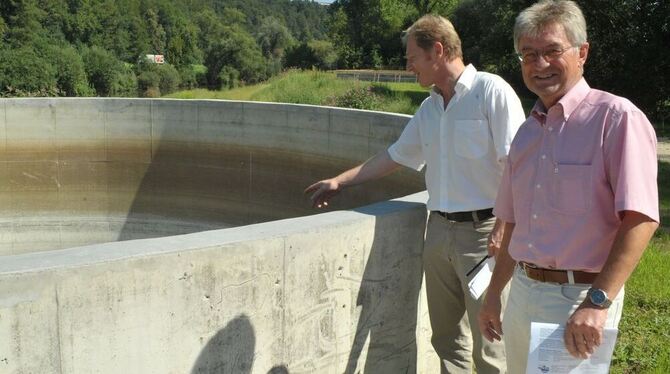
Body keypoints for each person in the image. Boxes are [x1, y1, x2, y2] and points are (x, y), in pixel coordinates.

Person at [305, 15, 525, 373]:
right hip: (437, 233)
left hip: (485, 236)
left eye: (411, 58)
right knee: (447, 338)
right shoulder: (429, 108)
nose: (408, 67)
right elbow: (394, 156)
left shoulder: (491, 91)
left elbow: (516, 164)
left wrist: (503, 226)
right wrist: (340, 181)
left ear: (437, 50)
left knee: (490, 341)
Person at [477, 1, 660, 373]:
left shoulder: (616, 119)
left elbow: (640, 218)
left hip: (579, 298)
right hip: (523, 291)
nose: (540, 64)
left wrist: (597, 302)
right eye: (529, 54)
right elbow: (513, 223)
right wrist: (495, 294)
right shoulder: (527, 134)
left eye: (551, 51)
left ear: (582, 53)